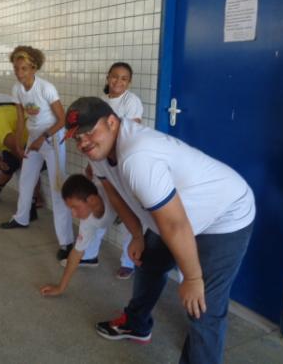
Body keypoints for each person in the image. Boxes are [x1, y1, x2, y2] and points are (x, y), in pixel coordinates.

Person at [65, 96, 255, 364]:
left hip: (225, 214)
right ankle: (136, 323)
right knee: (148, 262)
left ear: (111, 122)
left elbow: (175, 225)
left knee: (203, 308)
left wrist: (191, 278)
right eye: (77, 137)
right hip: (177, 214)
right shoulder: (99, 150)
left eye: (88, 133)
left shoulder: (137, 156)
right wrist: (138, 235)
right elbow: (116, 194)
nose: (83, 143)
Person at [2, 46, 74, 262]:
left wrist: (43, 138)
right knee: (25, 180)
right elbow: (20, 118)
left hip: (52, 136)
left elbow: (63, 120)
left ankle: (66, 241)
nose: (19, 72)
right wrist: (19, 143)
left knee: (57, 187)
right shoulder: (16, 89)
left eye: (24, 68)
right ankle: (21, 218)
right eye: (16, 68)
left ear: (34, 68)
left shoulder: (46, 88)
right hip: (34, 137)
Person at [87, 62, 144, 280]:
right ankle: (90, 254)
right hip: (101, 163)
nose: (118, 82)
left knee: (130, 213)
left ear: (129, 82)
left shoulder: (132, 102)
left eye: (124, 79)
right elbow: (93, 137)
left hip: (123, 163)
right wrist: (91, 164)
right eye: (114, 77)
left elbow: (129, 135)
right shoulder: (100, 103)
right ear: (107, 77)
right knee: (100, 210)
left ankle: (129, 261)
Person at [39, 174, 120, 297]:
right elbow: (76, 252)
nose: (73, 214)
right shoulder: (87, 220)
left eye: (75, 207)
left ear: (91, 200)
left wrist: (137, 237)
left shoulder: (115, 193)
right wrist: (60, 288)